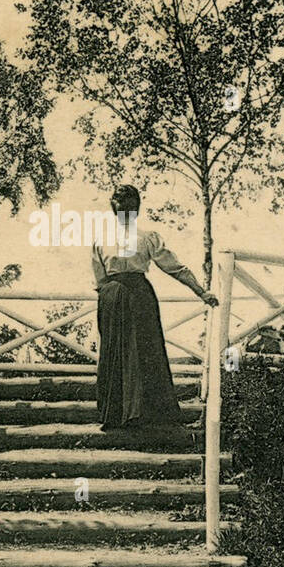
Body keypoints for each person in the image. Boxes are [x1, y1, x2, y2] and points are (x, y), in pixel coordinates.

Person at [91, 184, 218, 431]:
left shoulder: (101, 240)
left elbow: (99, 280)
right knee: (144, 351)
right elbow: (176, 268)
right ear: (137, 211)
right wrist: (201, 291)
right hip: (137, 294)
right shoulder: (147, 237)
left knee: (116, 351)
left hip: (111, 296)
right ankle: (146, 414)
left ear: (113, 210)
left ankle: (115, 415)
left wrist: (109, 298)